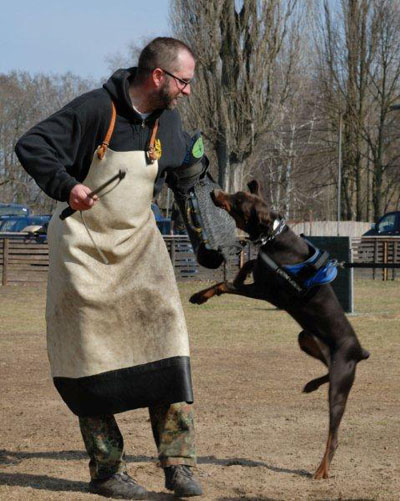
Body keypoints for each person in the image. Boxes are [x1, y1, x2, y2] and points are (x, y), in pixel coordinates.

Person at [15, 37, 203, 499]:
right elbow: (31, 144)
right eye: (184, 81)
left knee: (169, 345)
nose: (187, 90)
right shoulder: (96, 109)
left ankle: (179, 464)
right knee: (90, 361)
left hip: (141, 249)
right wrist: (67, 185)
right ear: (158, 76)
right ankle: (106, 471)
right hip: (84, 253)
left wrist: (206, 205)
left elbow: (186, 169)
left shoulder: (169, 123)